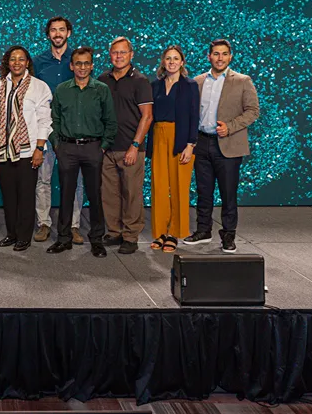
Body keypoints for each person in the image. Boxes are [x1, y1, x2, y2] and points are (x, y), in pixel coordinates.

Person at [185, 39, 259, 253]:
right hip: (202, 142)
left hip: (228, 144)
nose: (220, 58)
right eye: (216, 54)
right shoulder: (197, 81)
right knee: (203, 191)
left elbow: (253, 110)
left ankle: (228, 235)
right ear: (209, 56)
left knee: (228, 193)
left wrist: (230, 126)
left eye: (224, 54)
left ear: (230, 56)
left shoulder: (243, 81)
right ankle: (203, 230)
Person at [47, 47, 116, 257]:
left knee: (95, 196)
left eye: (86, 63)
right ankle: (64, 238)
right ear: (71, 66)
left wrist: (102, 147)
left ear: (92, 66)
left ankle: (96, 240)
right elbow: (54, 120)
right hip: (66, 148)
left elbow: (110, 122)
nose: (82, 68)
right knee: (66, 195)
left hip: (93, 148)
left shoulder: (101, 89)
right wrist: (57, 145)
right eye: (78, 64)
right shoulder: (62, 89)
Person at [0, 46, 52, 252]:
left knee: (25, 195)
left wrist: (39, 148)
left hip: (27, 151)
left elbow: (45, 120)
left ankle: (24, 236)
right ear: (7, 62)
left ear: (27, 63)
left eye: (21, 59)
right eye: (13, 59)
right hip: (2, 149)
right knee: (8, 195)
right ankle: (12, 233)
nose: (17, 63)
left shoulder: (38, 87)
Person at [31, 17, 85, 244]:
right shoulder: (38, 62)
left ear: (69, 33)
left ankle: (73, 226)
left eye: (62, 30)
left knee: (75, 181)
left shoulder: (78, 61)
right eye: (53, 30)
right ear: (48, 34)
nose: (57, 34)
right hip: (45, 130)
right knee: (43, 179)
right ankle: (43, 223)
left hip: (73, 131)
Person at [98, 37, 154, 254]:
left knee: (131, 193)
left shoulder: (140, 81)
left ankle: (130, 235)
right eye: (115, 52)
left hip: (131, 148)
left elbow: (147, 117)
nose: (118, 56)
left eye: (123, 52)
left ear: (131, 54)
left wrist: (134, 145)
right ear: (110, 55)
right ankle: (114, 231)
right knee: (109, 193)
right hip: (108, 148)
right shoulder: (103, 79)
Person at [146, 45, 199, 253]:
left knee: (179, 187)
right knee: (159, 186)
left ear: (182, 62)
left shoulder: (190, 86)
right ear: (163, 62)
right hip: (159, 136)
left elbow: (195, 116)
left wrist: (190, 144)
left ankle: (174, 233)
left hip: (181, 139)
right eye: (168, 58)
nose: (171, 62)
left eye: (176, 58)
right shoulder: (155, 86)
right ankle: (160, 232)